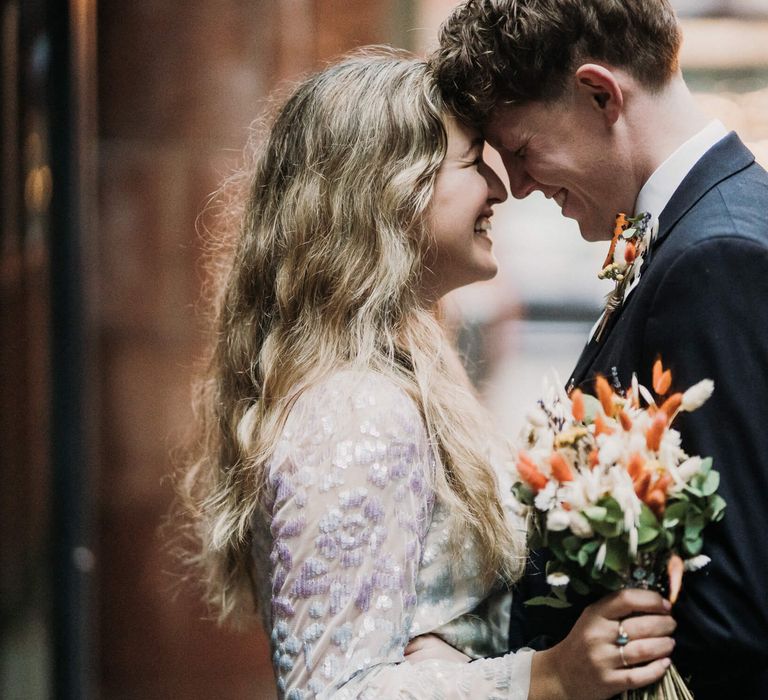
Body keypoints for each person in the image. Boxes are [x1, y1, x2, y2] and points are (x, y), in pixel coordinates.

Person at [177, 48, 677, 699]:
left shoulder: (408, 357)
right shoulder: (352, 409)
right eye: (472, 161)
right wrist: (549, 676)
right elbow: (334, 693)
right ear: (391, 190)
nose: (501, 187)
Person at [431, 2, 768, 698]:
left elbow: (735, 613)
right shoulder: (699, 230)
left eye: (521, 151)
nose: (516, 187)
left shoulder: (716, 257)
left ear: (599, 94)